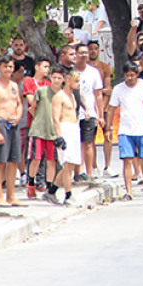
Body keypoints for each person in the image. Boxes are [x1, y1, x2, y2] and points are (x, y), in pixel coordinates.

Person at [108, 62, 143, 200]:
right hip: (125, 129)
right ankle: (129, 191)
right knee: (127, 160)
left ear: (137, 74)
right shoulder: (118, 89)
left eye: (132, 75)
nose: (130, 78)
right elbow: (111, 109)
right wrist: (108, 128)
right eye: (127, 75)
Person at [0, 57, 24, 207]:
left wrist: (17, 116)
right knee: (0, 161)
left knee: (14, 161)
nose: (8, 70)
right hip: (1, 122)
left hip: (13, 124)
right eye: (5, 66)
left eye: (10, 67)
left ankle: (11, 195)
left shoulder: (14, 85)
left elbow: (19, 104)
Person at [25, 61, 58, 200]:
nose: (47, 70)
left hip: (52, 130)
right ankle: (31, 183)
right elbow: (32, 106)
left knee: (51, 160)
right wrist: (40, 118)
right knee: (36, 158)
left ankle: (49, 187)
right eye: (44, 66)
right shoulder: (33, 85)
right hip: (38, 128)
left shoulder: (54, 89)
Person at [72, 44, 106, 179]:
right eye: (81, 52)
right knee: (76, 143)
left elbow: (98, 94)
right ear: (75, 54)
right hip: (73, 113)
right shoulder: (71, 72)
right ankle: (77, 172)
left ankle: (89, 172)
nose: (84, 55)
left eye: (86, 52)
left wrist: (100, 115)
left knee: (88, 143)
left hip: (89, 113)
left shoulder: (94, 72)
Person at [49, 70, 83, 204]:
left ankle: (51, 192)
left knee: (72, 164)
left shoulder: (73, 96)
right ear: (68, 81)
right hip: (65, 128)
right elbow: (55, 118)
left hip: (74, 128)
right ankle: (68, 195)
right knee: (67, 164)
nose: (78, 84)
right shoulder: (59, 97)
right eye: (76, 81)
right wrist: (59, 136)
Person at [86, 40, 116, 176]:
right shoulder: (84, 69)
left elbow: (108, 89)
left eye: (95, 49)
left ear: (99, 51)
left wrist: (102, 110)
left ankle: (108, 166)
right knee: (90, 140)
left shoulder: (105, 67)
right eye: (90, 49)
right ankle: (93, 166)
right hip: (89, 109)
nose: (93, 51)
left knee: (108, 136)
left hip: (104, 108)